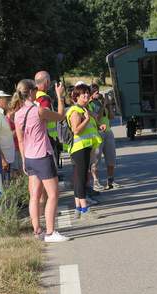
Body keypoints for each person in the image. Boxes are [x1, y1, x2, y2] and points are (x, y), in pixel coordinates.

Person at [14, 79, 69, 242]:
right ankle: (51, 233)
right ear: (31, 92)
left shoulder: (17, 114)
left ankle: (37, 230)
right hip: (42, 156)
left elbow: (20, 140)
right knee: (53, 194)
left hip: (29, 158)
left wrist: (24, 160)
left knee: (34, 196)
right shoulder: (39, 110)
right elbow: (60, 116)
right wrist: (60, 97)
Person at [67, 83, 102, 219]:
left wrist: (98, 125)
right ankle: (84, 209)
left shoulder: (83, 109)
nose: (87, 95)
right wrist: (87, 119)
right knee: (81, 178)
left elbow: (96, 120)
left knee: (78, 178)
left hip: (84, 148)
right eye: (83, 94)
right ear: (76, 97)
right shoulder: (76, 111)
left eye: (87, 93)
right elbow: (76, 130)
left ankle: (78, 207)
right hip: (79, 149)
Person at [88, 84, 120, 190]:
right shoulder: (90, 104)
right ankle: (96, 181)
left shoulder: (101, 103)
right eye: (95, 92)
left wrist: (108, 104)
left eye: (98, 91)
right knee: (96, 159)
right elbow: (97, 117)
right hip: (97, 133)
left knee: (111, 157)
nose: (98, 93)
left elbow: (111, 116)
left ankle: (110, 180)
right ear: (90, 94)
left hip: (108, 132)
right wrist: (103, 105)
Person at [6, 106, 22, 177]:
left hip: (18, 147)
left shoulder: (13, 120)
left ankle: (20, 185)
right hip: (13, 149)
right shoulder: (7, 120)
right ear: (10, 110)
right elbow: (10, 135)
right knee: (15, 170)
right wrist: (18, 129)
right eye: (14, 110)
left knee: (20, 169)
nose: (15, 111)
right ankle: (16, 186)